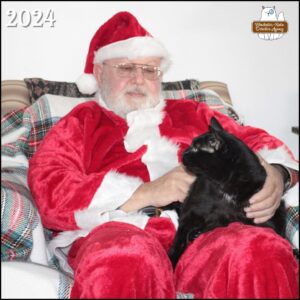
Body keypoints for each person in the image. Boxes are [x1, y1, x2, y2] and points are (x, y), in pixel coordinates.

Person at [28, 11, 299, 298]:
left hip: (206, 236)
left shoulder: (193, 113)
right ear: (98, 73)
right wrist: (145, 192)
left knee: (258, 250)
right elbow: (50, 187)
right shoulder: (81, 122)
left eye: (149, 70)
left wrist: (278, 174)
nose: (139, 79)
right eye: (126, 68)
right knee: (124, 257)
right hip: (119, 230)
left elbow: (260, 143)